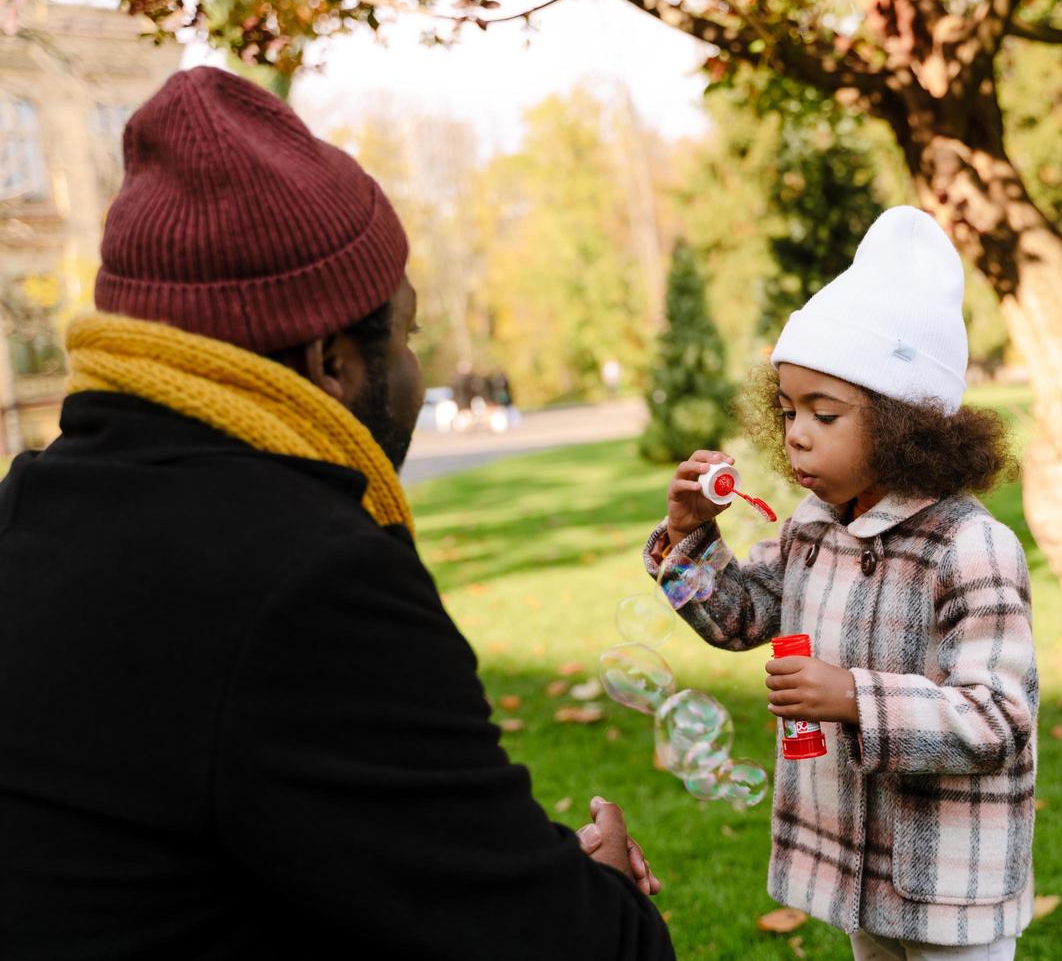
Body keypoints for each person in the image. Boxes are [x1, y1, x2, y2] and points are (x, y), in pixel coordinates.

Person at [0, 68, 672, 961]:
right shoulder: (310, 580)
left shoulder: (25, 510)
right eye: (410, 334)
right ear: (330, 362)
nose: (416, 370)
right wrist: (602, 890)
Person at [644, 208, 1037, 959]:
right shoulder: (813, 525)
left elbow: (997, 720)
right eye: (789, 410)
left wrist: (852, 696)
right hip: (856, 870)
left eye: (824, 413)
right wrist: (691, 533)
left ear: (906, 423)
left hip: (947, 881)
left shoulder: (971, 546)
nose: (795, 433)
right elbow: (739, 617)